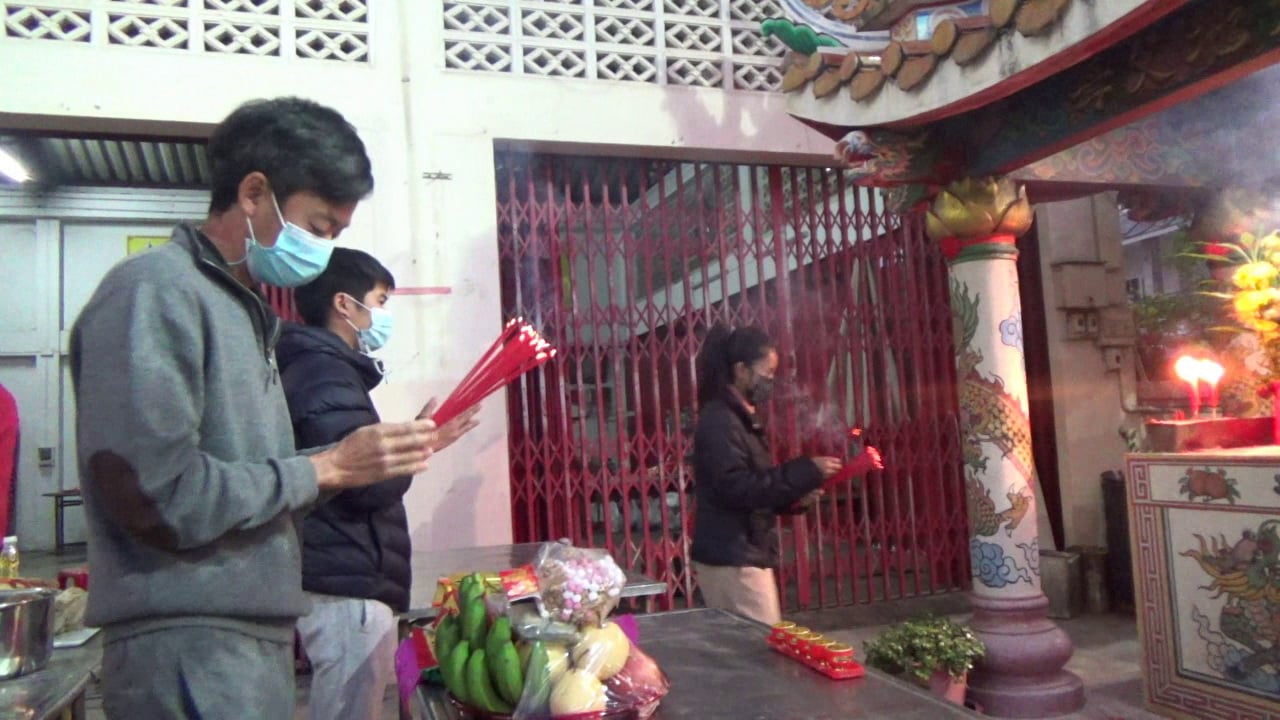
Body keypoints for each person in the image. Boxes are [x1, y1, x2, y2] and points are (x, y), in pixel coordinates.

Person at [70, 97, 468, 720]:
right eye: (318, 227)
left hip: (247, 638)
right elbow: (154, 493)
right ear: (254, 193)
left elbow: (257, 479)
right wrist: (329, 466)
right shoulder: (155, 291)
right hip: (187, 644)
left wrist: (359, 462)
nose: (323, 250)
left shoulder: (244, 312)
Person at [278, 248, 478, 720]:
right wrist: (416, 450)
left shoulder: (323, 368)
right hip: (347, 580)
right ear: (344, 304)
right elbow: (360, 484)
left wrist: (420, 441)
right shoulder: (326, 373)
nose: (384, 314)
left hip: (342, 571)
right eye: (380, 301)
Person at [689, 324, 882, 625]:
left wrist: (793, 499)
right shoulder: (721, 421)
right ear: (741, 370)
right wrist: (805, 470)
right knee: (759, 644)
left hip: (742, 551)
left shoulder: (739, 418)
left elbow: (755, 487)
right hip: (733, 557)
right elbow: (735, 487)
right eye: (767, 373)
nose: (771, 381)